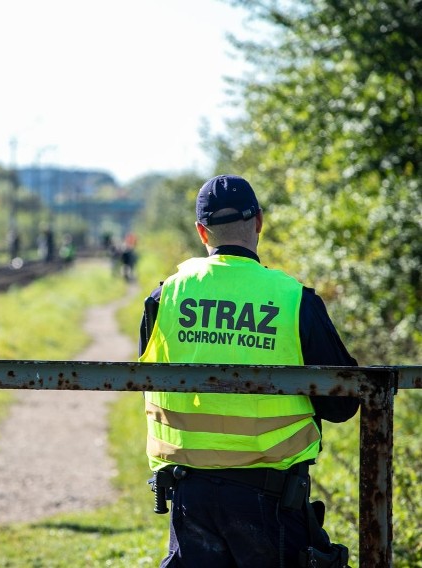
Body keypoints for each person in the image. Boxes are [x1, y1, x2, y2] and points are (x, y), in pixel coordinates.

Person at [138, 174, 359, 568]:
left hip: (191, 498)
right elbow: (342, 405)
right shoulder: (295, 299)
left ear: (201, 231)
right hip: (271, 501)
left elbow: (152, 380)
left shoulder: (164, 297)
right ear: (258, 221)